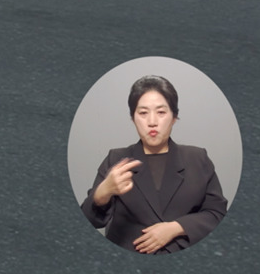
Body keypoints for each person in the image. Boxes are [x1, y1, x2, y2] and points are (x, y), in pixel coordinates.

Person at [80, 75, 227, 254]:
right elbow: (89, 222)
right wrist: (102, 194)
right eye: (143, 113)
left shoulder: (198, 158)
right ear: (133, 118)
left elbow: (217, 214)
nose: (152, 122)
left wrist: (175, 228)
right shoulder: (116, 159)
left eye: (161, 112)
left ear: (174, 117)